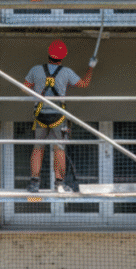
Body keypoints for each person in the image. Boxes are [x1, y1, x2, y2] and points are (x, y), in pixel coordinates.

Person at [24, 39, 95, 193]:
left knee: (38, 148)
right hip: (58, 116)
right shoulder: (66, 72)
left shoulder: (36, 70)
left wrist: (37, 95)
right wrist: (91, 67)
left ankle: (34, 183)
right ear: (63, 56)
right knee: (59, 149)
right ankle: (59, 184)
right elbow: (84, 84)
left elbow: (25, 88)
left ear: (49, 53)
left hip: (40, 114)